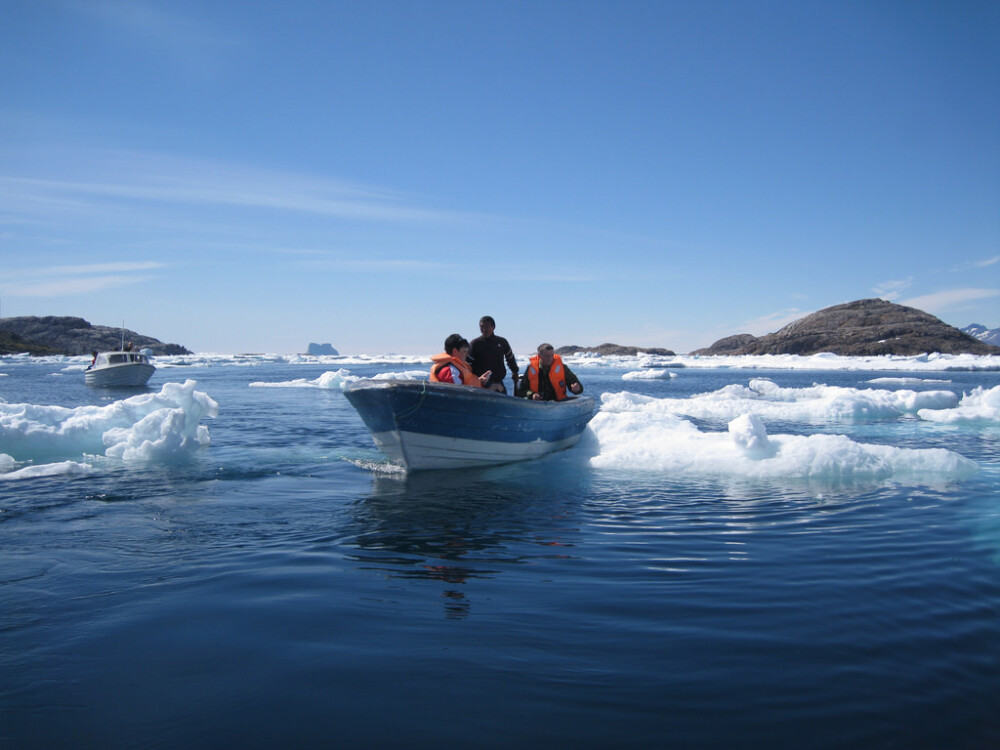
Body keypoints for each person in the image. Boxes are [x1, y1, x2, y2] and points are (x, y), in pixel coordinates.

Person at [469, 315, 519, 394]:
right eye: (481, 327)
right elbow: (468, 365)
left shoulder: (502, 342)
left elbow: (510, 357)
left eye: (486, 326)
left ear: (493, 327)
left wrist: (515, 371)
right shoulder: (475, 344)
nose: (484, 329)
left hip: (499, 383)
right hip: (481, 384)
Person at [518, 343, 583, 401]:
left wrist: (577, 388)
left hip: (558, 404)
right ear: (540, 356)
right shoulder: (531, 369)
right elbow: (522, 390)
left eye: (552, 355)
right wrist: (532, 395)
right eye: (547, 356)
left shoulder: (562, 368)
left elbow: (577, 386)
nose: (550, 358)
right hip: (537, 404)